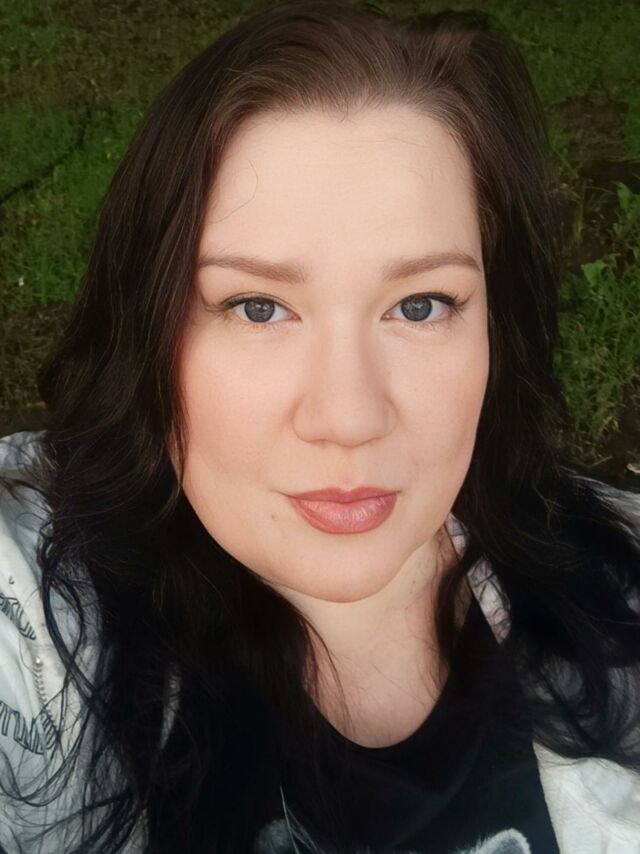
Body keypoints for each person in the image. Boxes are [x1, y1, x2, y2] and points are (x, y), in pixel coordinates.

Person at [1, 1, 639, 851]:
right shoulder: (28, 617)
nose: (349, 418)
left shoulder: (618, 578)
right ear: (148, 327)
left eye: (421, 304)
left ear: (496, 323)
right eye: (258, 306)